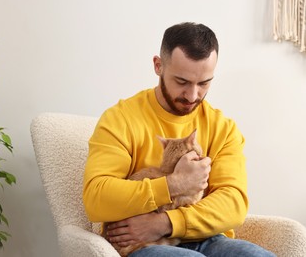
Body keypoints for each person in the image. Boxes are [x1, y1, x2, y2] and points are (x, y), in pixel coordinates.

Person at [83, 22, 275, 257]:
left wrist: (165, 222)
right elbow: (96, 199)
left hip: (204, 238)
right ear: (158, 66)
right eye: (182, 82)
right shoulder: (120, 119)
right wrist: (174, 184)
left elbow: (233, 204)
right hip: (143, 244)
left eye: (204, 83)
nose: (193, 96)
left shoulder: (223, 128)